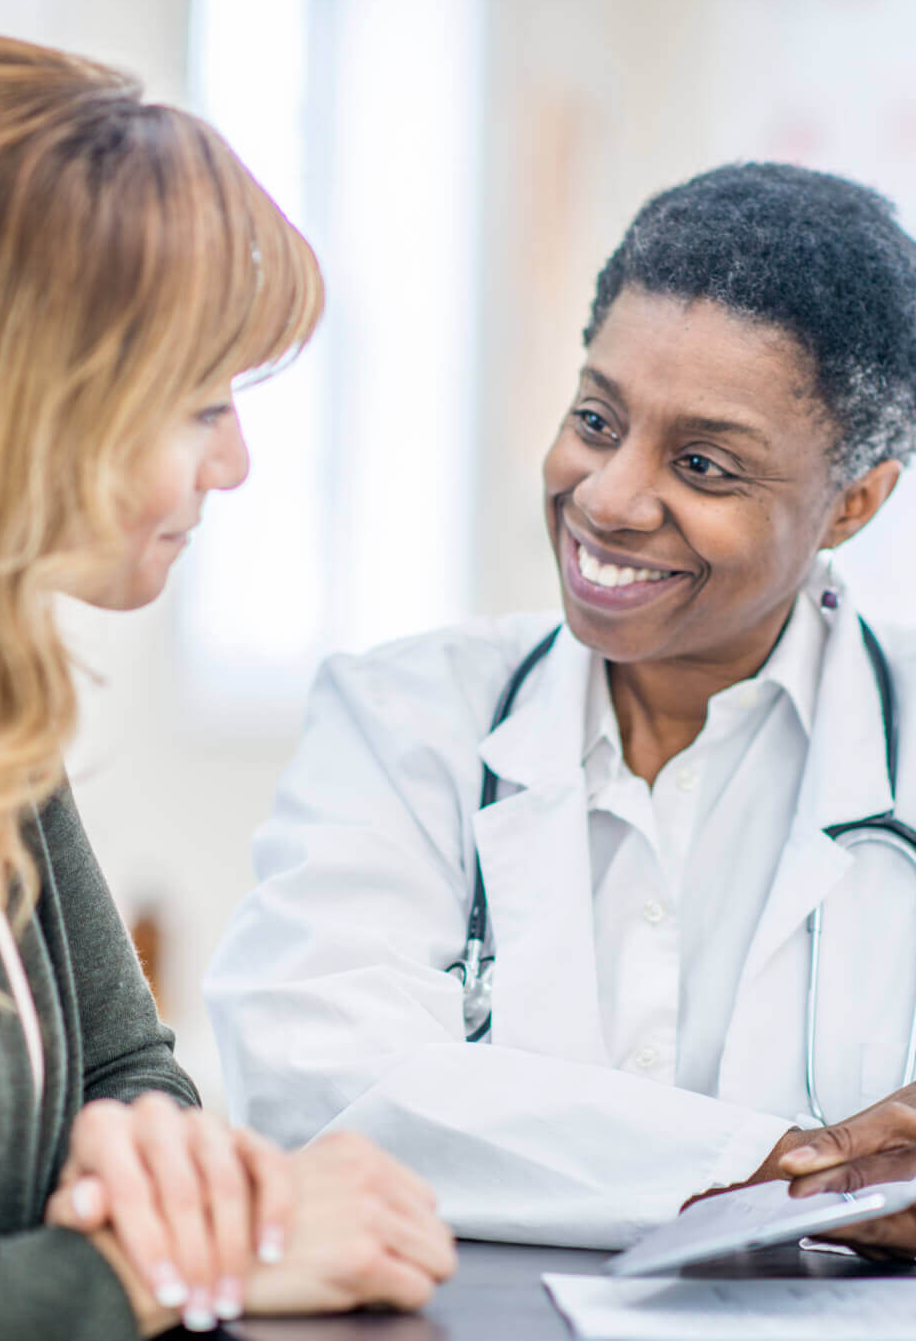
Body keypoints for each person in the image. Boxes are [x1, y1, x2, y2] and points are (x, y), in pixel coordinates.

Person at [206, 161, 916, 1258]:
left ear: (854, 501)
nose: (606, 498)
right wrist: (798, 1173)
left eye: (702, 464)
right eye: (595, 418)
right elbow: (319, 1079)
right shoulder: (404, 717)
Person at [0, 32, 455, 1340]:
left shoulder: (5, 711)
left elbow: (131, 1069)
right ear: (41, 400)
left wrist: (165, 1171)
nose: (236, 464)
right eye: (202, 404)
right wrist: (165, 1268)